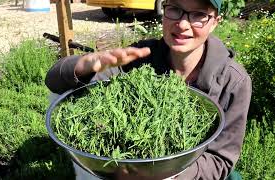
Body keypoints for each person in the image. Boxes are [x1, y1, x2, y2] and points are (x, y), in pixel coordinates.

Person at [45, 0, 252, 179]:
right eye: (175, 9)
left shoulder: (233, 81)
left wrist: (168, 175)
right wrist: (86, 64)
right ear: (164, 10)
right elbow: (54, 82)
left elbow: (220, 160)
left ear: (215, 21)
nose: (182, 24)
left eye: (198, 15)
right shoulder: (141, 57)